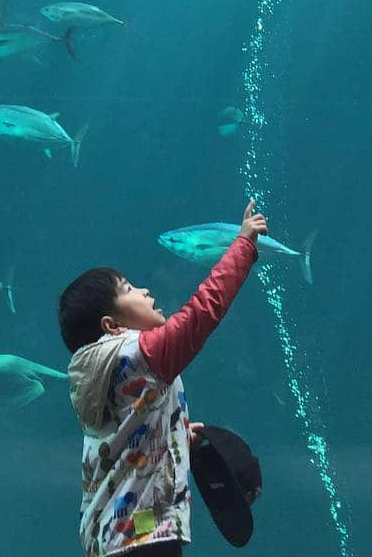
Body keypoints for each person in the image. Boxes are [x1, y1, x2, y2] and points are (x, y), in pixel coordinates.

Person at [58, 198, 267, 557]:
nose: (144, 291)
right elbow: (203, 311)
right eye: (128, 290)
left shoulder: (92, 372)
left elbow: (121, 439)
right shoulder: (139, 354)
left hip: (106, 538)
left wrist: (173, 433)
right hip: (145, 537)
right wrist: (243, 245)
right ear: (112, 325)